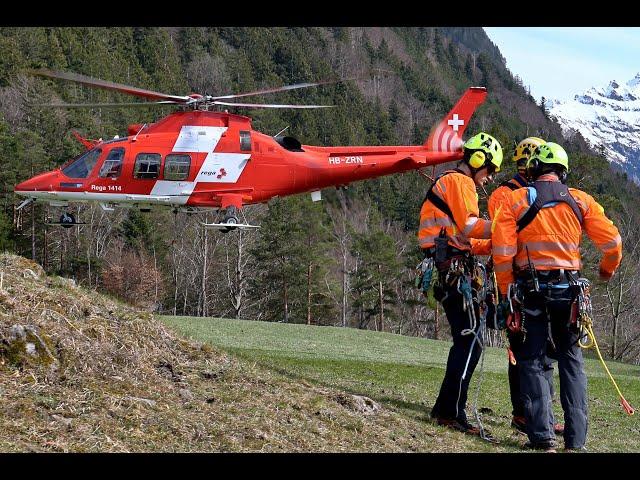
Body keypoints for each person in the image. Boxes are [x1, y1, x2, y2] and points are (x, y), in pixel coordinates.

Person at [492, 142, 622, 451]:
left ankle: (543, 439)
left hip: (530, 291)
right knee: (571, 360)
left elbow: (502, 252)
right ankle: (575, 441)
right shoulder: (579, 200)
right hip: (570, 292)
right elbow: (613, 242)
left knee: (534, 360)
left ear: (534, 169)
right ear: (562, 172)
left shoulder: (515, 200)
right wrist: (606, 270)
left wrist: (506, 291)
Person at [418, 132, 503, 434]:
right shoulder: (460, 183)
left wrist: (490, 245)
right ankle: (452, 413)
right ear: (478, 161)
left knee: (469, 340)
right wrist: (504, 228)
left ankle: (444, 408)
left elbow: (464, 238)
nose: (490, 178)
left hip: (451, 264)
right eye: (490, 170)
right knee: (469, 341)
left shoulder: (454, 182)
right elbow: (469, 225)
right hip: (452, 269)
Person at [487, 137, 563, 436]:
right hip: (518, 279)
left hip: (521, 278)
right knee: (525, 349)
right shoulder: (510, 194)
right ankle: (526, 413)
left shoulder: (511, 193)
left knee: (534, 349)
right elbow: (501, 237)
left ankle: (535, 413)